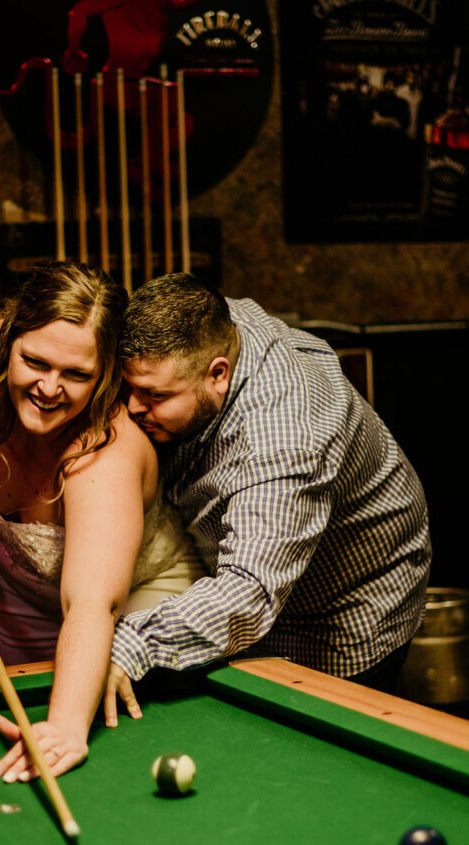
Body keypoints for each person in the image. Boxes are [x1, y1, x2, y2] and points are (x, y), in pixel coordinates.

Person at [0, 261, 203, 780]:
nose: (49, 387)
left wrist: (68, 726)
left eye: (77, 375)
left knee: (119, 735)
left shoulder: (105, 457)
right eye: (35, 361)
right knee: (25, 694)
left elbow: (93, 604)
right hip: (20, 580)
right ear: (8, 343)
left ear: (106, 374)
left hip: (137, 595)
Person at [106, 273, 431, 718]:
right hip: (259, 579)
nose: (132, 407)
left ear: (218, 373)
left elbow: (249, 591)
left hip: (345, 613)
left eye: (153, 395)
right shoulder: (213, 324)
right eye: (130, 388)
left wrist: (132, 644)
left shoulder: (283, 434)